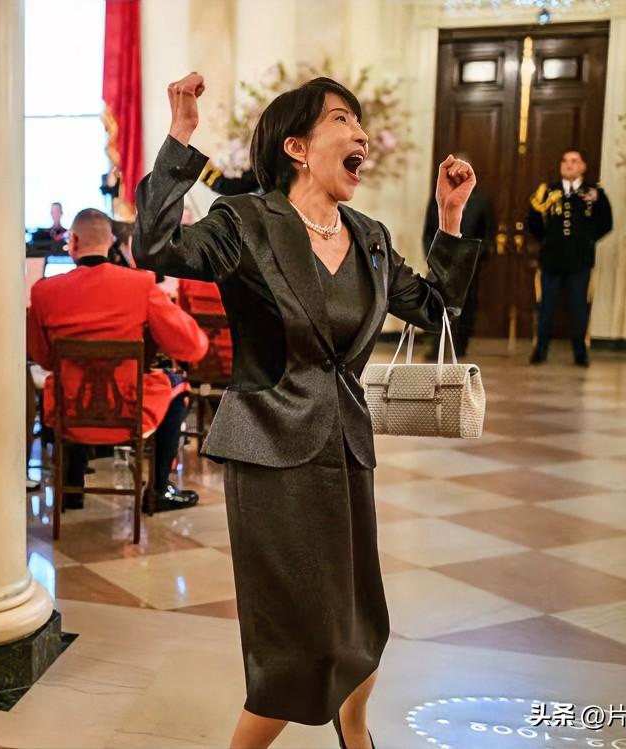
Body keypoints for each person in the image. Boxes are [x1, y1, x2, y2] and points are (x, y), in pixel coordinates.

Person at [133, 73, 480, 749]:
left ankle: (356, 731)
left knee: (360, 618)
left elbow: (438, 306)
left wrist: (449, 219)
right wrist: (180, 137)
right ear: (296, 147)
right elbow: (153, 246)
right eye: (343, 119)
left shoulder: (370, 238)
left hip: (346, 447)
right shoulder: (244, 223)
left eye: (359, 122)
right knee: (295, 640)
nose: (360, 134)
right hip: (269, 448)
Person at [27, 207, 209, 512]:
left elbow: (43, 359)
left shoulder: (44, 292)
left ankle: (72, 490)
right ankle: (159, 489)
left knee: (70, 382)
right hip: (128, 411)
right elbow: (193, 347)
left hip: (67, 412)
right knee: (178, 385)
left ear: (72, 241)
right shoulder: (140, 285)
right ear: (111, 241)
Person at [526, 149, 613, 367]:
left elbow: (606, 222)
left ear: (583, 166)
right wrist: (548, 240)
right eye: (565, 161)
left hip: (579, 261)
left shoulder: (593, 192)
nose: (569, 165)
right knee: (546, 307)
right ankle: (540, 350)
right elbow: (534, 222)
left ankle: (580, 352)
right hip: (551, 260)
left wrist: (587, 241)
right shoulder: (548, 191)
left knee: (578, 307)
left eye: (574, 161)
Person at [421, 172, 495, 358]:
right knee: (437, 300)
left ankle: (461, 345)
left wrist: (476, 254)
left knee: (467, 304)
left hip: (469, 261)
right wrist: (432, 255)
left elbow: (488, 232)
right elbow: (429, 230)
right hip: (442, 259)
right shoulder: (438, 198)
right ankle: (436, 347)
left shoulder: (481, 200)